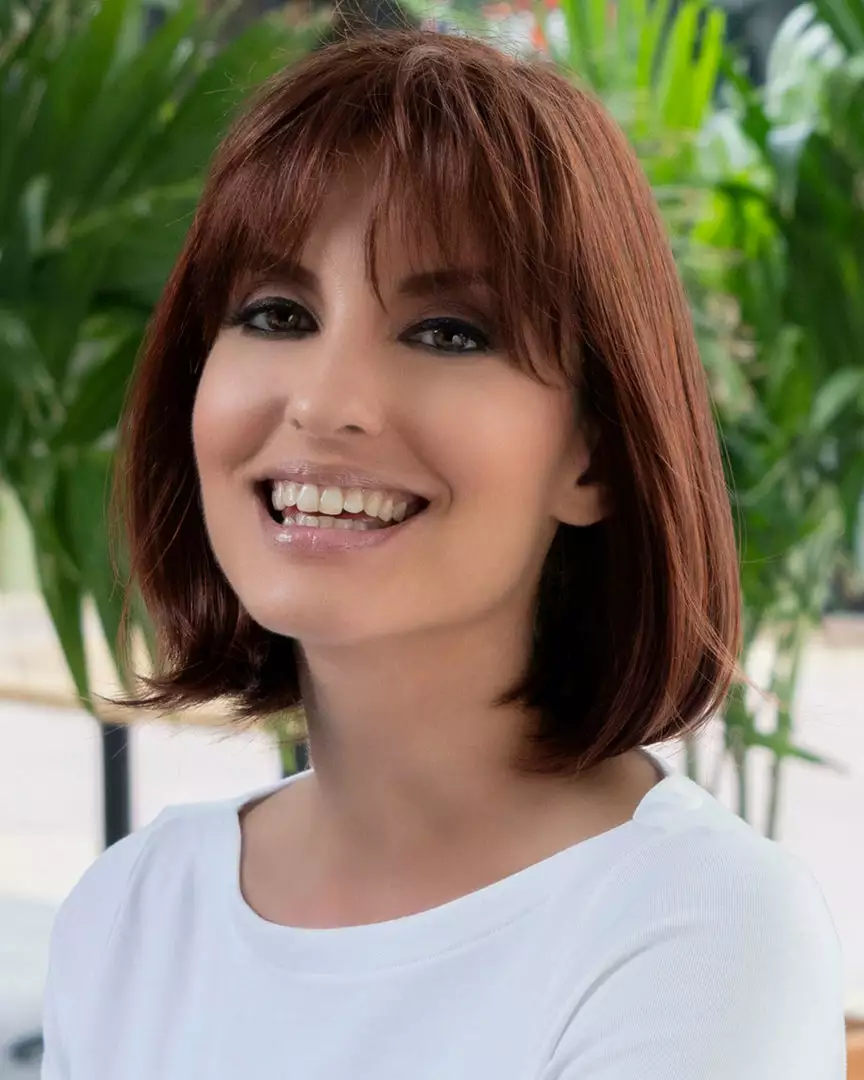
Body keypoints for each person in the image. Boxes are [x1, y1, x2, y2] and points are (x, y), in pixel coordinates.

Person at [40, 28, 846, 1080]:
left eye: (447, 333)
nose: (325, 402)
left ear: (595, 455)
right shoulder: (130, 916)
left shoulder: (696, 934)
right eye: (277, 314)